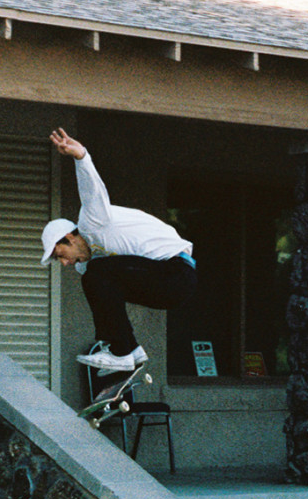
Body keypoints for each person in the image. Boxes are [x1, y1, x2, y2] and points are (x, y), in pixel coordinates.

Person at [40, 129, 196, 372]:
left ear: (70, 237)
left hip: (176, 274)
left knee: (97, 272)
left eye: (61, 255)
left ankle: (121, 350)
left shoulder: (92, 222)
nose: (65, 264)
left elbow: (92, 191)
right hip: (167, 285)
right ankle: (128, 350)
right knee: (96, 275)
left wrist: (81, 157)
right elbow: (103, 298)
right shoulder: (93, 258)